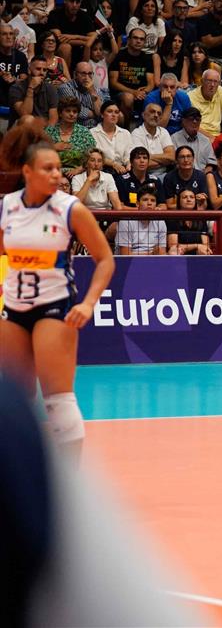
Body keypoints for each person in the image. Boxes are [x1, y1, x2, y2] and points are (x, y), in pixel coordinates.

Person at [0, 141, 114, 459]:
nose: (56, 175)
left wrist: (88, 303)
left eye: (58, 169)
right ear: (27, 172)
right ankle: (22, 475)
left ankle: (69, 480)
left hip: (55, 307)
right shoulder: (7, 206)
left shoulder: (70, 209)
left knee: (58, 399)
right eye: (47, 168)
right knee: (15, 399)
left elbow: (105, 260)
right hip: (13, 308)